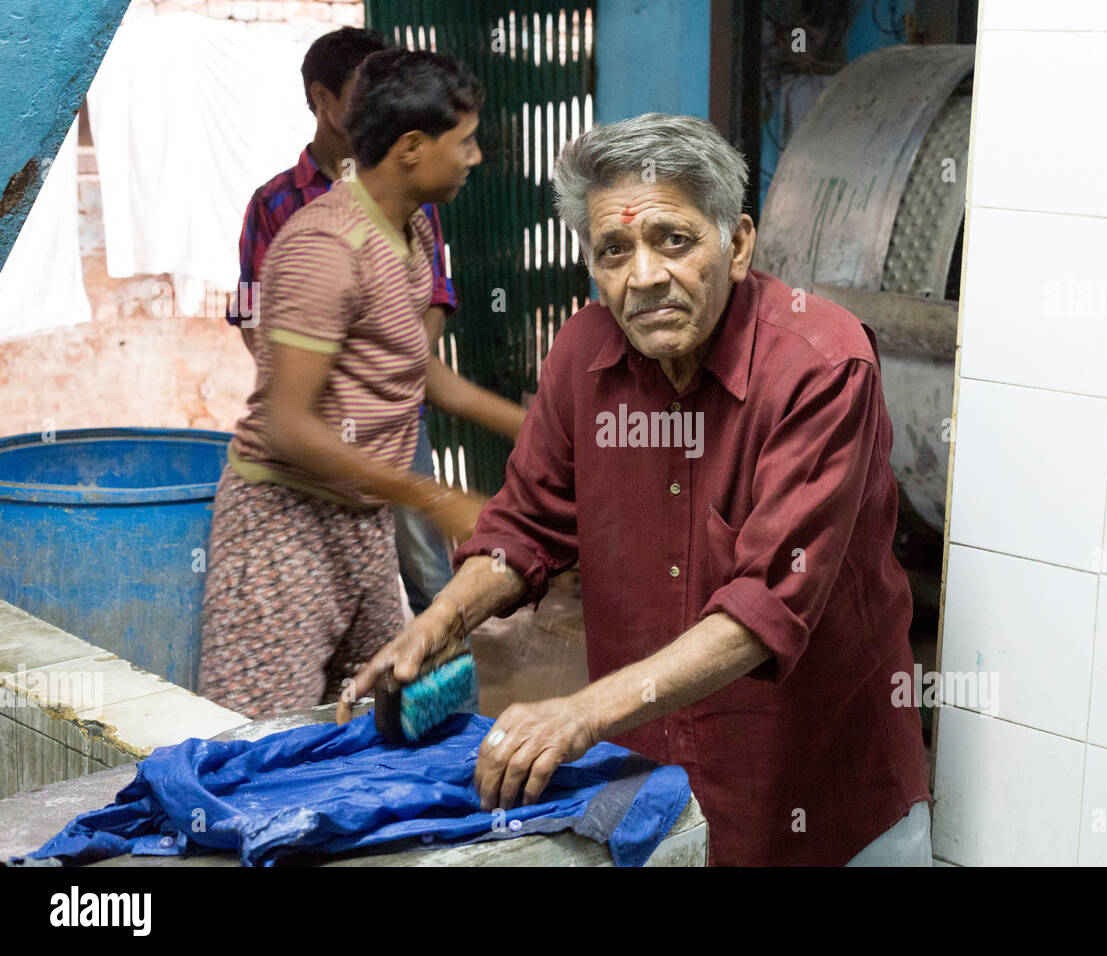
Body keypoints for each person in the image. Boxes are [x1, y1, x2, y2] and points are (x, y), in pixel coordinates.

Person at [342, 113, 933, 866]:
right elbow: (526, 525)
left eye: (673, 240)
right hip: (650, 788)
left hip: (821, 794)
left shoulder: (821, 367)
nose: (644, 276)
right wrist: (446, 616)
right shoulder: (584, 352)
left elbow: (765, 607)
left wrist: (581, 713)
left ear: (739, 242)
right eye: (614, 250)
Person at [200, 48, 514, 719]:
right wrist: (432, 496)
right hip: (285, 531)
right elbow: (288, 423)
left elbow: (417, 373)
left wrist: (542, 430)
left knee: (380, 714)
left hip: (359, 522)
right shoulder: (325, 248)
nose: (475, 158)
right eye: (464, 142)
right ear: (410, 147)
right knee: (263, 738)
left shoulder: (412, 231)